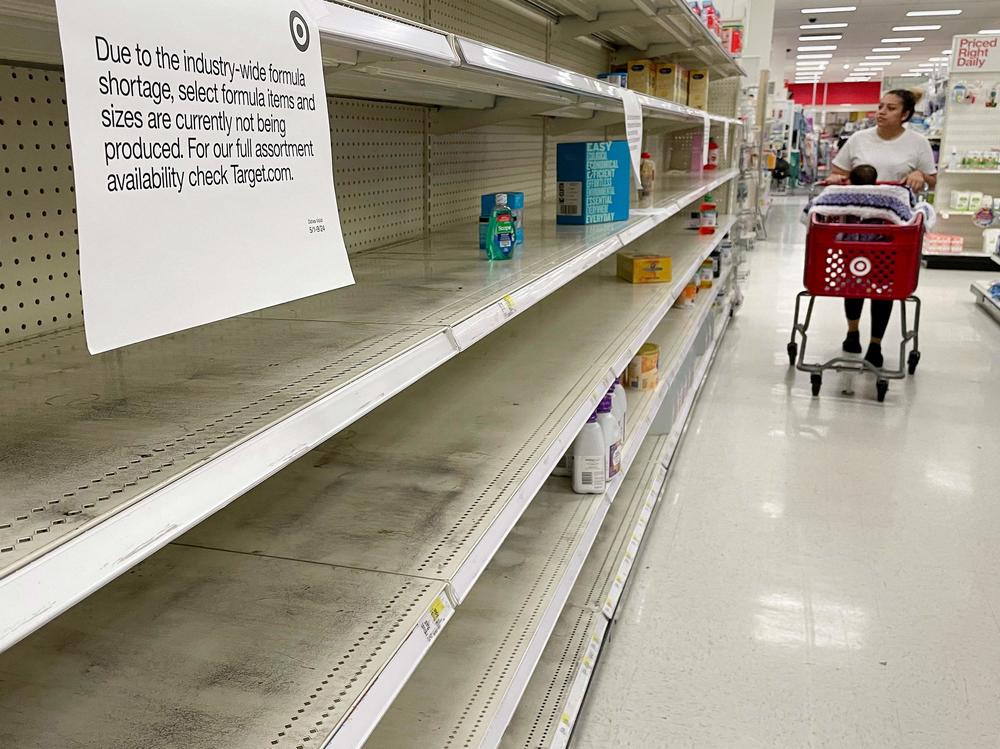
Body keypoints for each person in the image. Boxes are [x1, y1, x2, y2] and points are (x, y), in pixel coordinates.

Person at [828, 90, 936, 369]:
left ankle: (875, 344)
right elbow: (838, 171)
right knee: (854, 279)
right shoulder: (858, 139)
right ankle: (852, 332)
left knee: (884, 285)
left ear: (905, 115)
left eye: (890, 108)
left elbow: (932, 180)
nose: (881, 112)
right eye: (880, 106)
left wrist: (920, 175)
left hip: (894, 227)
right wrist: (839, 180)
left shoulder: (918, 143)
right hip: (856, 222)